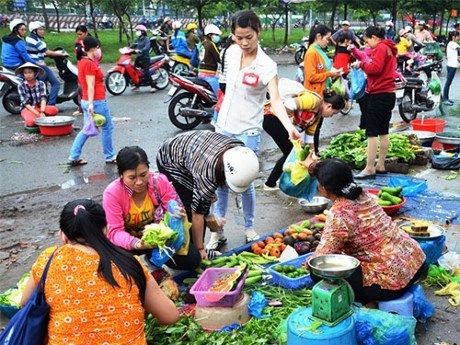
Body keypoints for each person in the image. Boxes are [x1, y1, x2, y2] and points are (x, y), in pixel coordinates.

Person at [20, 199, 179, 344]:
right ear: (106, 230)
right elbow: (170, 316)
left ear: (62, 235)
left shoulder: (48, 260)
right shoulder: (130, 263)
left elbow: (25, 305)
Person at [213, 9, 301, 245]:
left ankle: (249, 226)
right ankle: (217, 230)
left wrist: (288, 127)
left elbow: (276, 101)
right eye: (239, 37)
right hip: (222, 127)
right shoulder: (230, 53)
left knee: (244, 183)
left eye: (249, 37)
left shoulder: (266, 65)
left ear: (258, 32)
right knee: (220, 180)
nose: (244, 42)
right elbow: (225, 88)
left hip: (248, 131)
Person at [308, 158, 426, 305]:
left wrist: (306, 265)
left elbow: (322, 256)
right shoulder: (364, 195)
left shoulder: (339, 213)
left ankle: (365, 299)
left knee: (316, 273)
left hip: (393, 282)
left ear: (324, 188)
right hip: (416, 263)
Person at [156, 131, 260, 260]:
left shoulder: (240, 151)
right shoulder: (207, 174)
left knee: (203, 201)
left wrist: (207, 198)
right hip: (171, 160)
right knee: (189, 209)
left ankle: (194, 250)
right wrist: (200, 248)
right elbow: (197, 213)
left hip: (194, 154)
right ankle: (190, 253)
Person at [103, 146, 201, 270]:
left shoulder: (159, 181)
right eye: (132, 177)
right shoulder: (112, 193)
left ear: (149, 169)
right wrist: (138, 244)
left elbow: (172, 206)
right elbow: (115, 231)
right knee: (121, 267)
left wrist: (176, 213)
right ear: (121, 175)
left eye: (143, 175)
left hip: (158, 239)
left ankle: (151, 258)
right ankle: (142, 261)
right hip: (130, 243)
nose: (139, 182)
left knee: (192, 259)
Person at [263, 83, 345, 191]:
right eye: (333, 113)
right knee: (291, 152)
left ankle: (274, 183)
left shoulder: (317, 117)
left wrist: (312, 156)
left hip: (283, 125)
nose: (331, 116)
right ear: (329, 106)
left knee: (294, 152)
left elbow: (309, 138)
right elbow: (288, 105)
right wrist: (290, 127)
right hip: (272, 117)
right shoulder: (313, 100)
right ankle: (271, 184)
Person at [352, 26, 397, 179]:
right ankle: (381, 165)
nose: (367, 45)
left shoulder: (380, 48)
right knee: (384, 131)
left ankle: (370, 168)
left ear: (374, 37)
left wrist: (361, 65)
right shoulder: (389, 48)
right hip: (389, 94)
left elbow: (375, 69)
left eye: (367, 41)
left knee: (371, 133)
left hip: (378, 94)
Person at [68, 36, 115, 167]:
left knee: (86, 130)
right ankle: (110, 156)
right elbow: (90, 86)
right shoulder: (88, 64)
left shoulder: (83, 61)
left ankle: (74, 156)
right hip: (96, 101)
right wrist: (90, 104)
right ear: (94, 48)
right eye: (98, 48)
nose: (98, 51)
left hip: (88, 101)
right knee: (107, 128)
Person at [303, 24, 342, 155]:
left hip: (321, 94)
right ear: (318, 36)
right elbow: (311, 76)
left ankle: (315, 152)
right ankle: (312, 153)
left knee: (317, 127)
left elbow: (323, 70)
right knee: (312, 127)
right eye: (327, 38)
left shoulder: (319, 50)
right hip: (313, 96)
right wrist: (330, 74)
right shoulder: (312, 52)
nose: (328, 41)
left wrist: (332, 73)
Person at [25, 21, 68, 107]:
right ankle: (51, 104)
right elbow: (47, 51)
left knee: (43, 85)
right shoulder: (36, 40)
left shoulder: (28, 39)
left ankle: (42, 103)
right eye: (40, 30)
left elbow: (37, 52)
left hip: (33, 65)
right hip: (39, 66)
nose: (42, 31)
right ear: (34, 31)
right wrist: (62, 54)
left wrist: (47, 55)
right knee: (56, 83)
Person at [15, 62, 58, 128]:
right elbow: (26, 103)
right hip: (28, 109)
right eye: (25, 73)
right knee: (31, 123)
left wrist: (42, 111)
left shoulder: (41, 83)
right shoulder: (21, 85)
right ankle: (33, 118)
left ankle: (40, 117)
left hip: (39, 107)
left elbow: (43, 98)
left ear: (35, 73)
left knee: (54, 110)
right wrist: (37, 114)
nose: (28, 75)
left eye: (30, 72)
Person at [131, 24, 157, 93]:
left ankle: (153, 86)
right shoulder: (138, 39)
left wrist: (140, 50)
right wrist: (128, 49)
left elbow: (147, 47)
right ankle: (137, 85)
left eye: (138, 30)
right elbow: (134, 45)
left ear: (142, 31)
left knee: (146, 71)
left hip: (145, 58)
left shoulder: (146, 39)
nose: (137, 32)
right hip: (139, 57)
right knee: (134, 70)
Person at [198, 24, 222, 96]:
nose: (218, 37)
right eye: (216, 35)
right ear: (210, 35)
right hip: (209, 75)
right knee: (221, 97)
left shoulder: (203, 43)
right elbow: (218, 58)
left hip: (201, 73)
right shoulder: (211, 44)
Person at [442, 30, 460, 106]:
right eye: (458, 36)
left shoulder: (451, 44)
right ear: (453, 37)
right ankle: (445, 99)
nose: (459, 37)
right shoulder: (452, 43)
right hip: (451, 66)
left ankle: (447, 98)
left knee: (449, 82)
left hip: (452, 65)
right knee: (448, 83)